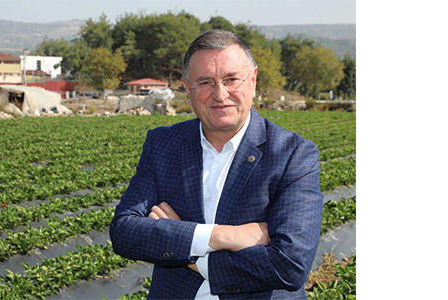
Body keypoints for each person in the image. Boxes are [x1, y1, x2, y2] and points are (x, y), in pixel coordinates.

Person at [108, 30, 323, 299]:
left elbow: (290, 265)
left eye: (231, 79)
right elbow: (124, 232)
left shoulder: (293, 153)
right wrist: (223, 236)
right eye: (205, 83)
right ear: (188, 90)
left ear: (253, 80)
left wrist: (192, 255)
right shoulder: (163, 144)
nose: (220, 94)